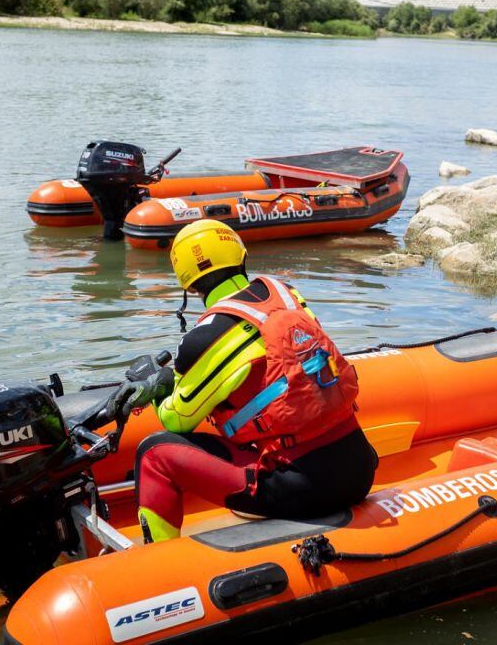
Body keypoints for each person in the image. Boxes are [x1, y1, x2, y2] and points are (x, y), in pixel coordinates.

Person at [106, 219, 378, 543]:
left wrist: (157, 387)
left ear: (189, 285)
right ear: (241, 255)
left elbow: (176, 420)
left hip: (303, 487)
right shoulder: (287, 293)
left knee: (153, 452)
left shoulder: (204, 338)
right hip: (360, 467)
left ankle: (158, 562)